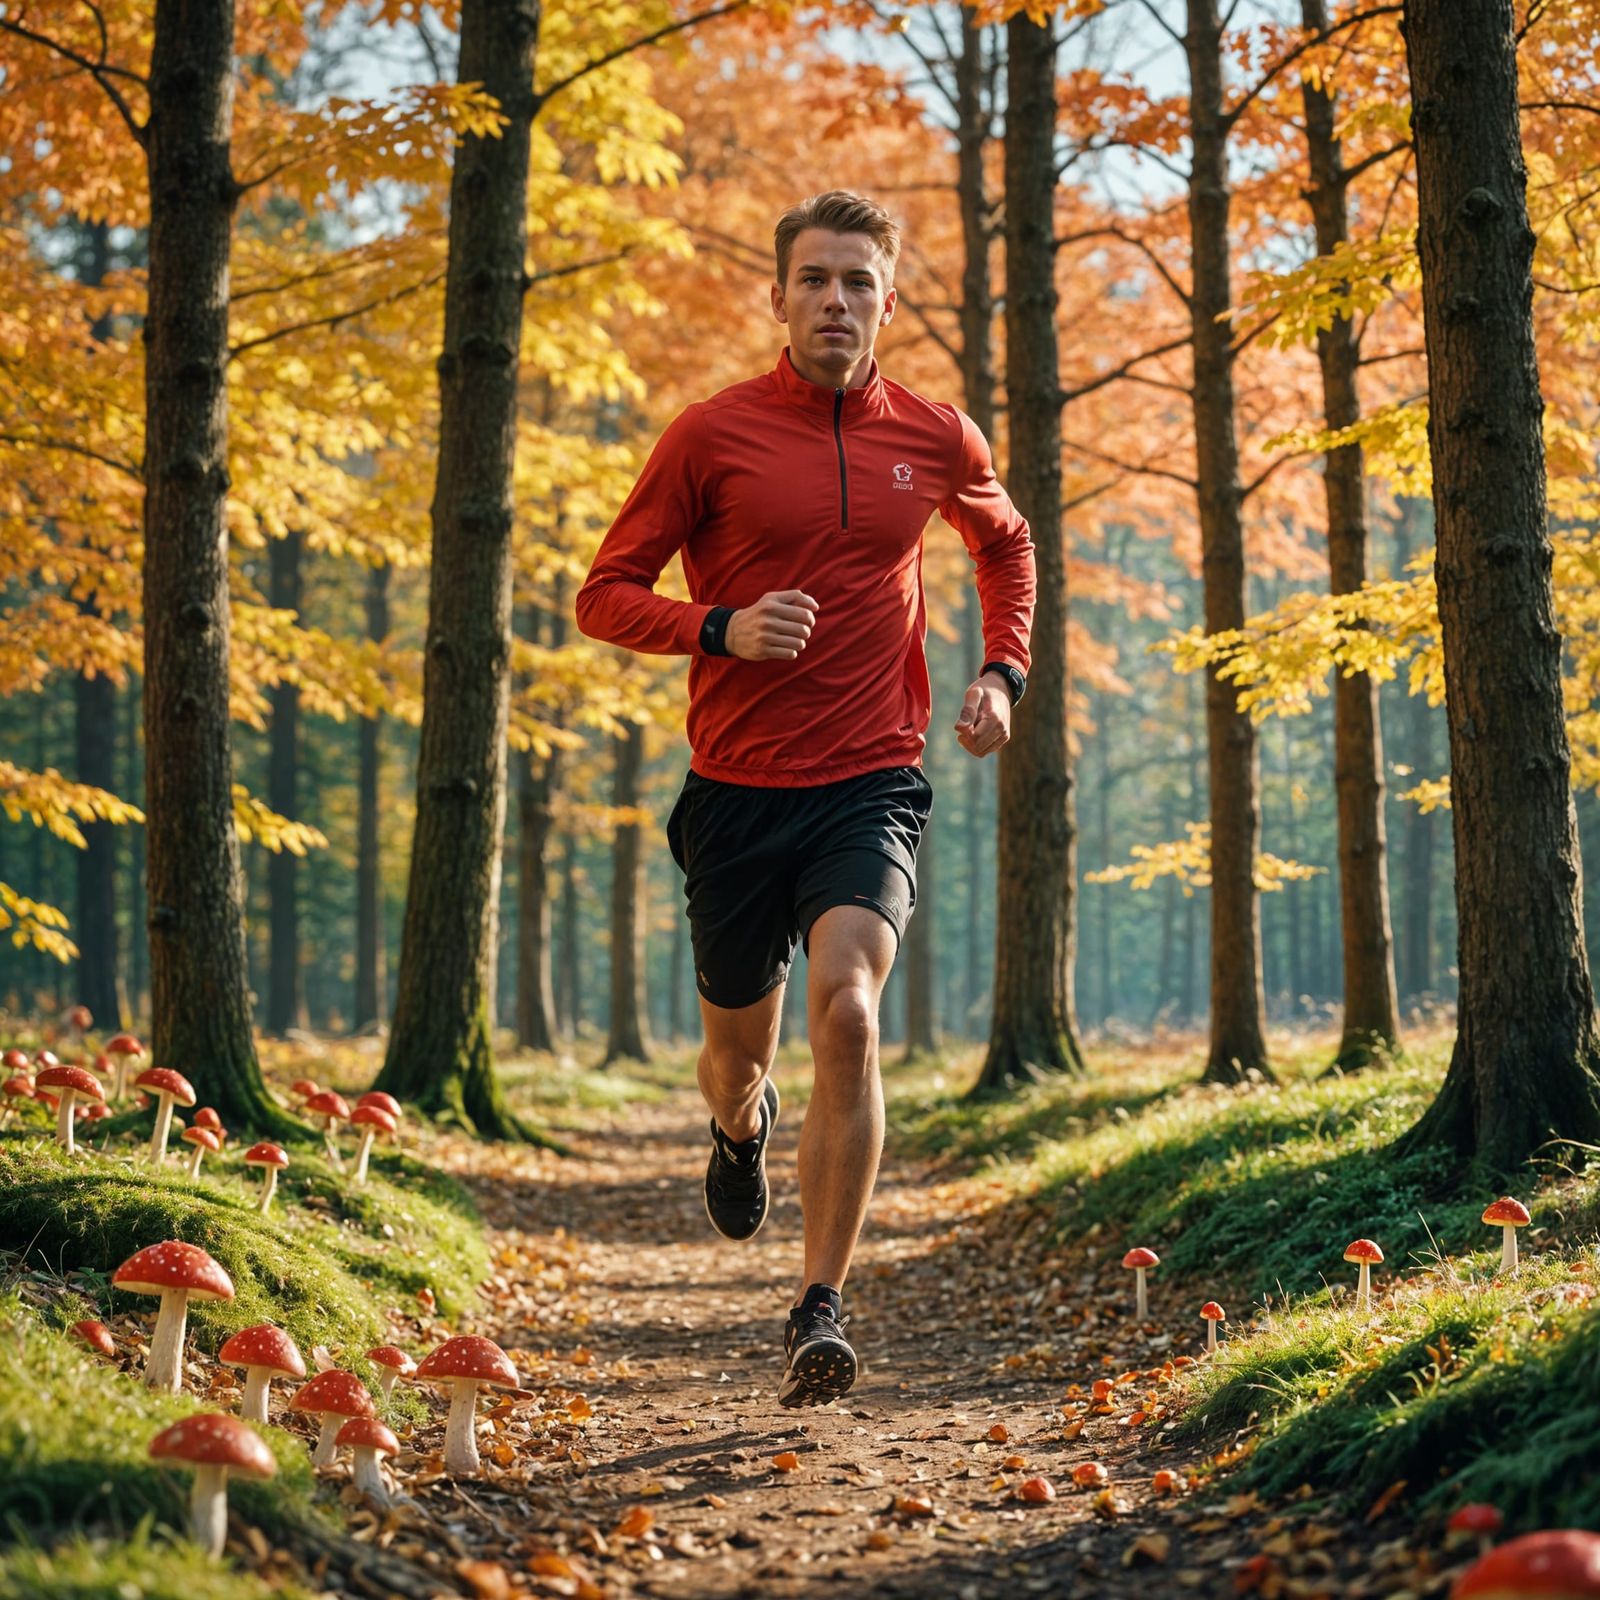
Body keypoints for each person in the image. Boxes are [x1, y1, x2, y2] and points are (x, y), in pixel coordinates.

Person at [575, 190, 1035, 1407]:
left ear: (889, 301)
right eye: (815, 279)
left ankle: (819, 1303)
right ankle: (738, 1128)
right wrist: (717, 625)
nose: (837, 300)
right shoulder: (709, 435)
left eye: (859, 282)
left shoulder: (938, 435)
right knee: (737, 1055)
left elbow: (1006, 543)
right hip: (733, 793)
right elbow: (603, 593)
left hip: (870, 781)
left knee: (849, 1012)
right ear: (777, 297)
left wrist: (1002, 670)